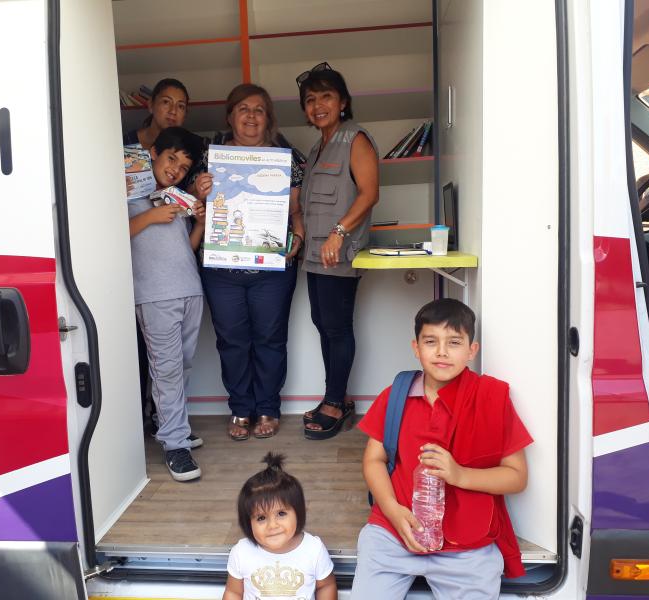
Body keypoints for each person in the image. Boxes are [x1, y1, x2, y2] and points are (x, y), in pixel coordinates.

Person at [351, 299, 533, 599]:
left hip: (467, 546)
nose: (442, 352)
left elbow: (516, 477)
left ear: (471, 351)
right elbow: (374, 459)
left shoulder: (490, 398)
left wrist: (460, 475)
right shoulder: (396, 396)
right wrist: (393, 512)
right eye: (431, 341)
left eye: (454, 342)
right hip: (394, 534)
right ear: (416, 347)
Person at [197, 84, 306, 441]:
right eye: (243, 109)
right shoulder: (208, 159)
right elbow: (192, 207)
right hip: (221, 271)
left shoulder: (286, 158)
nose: (251, 116)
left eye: (259, 110)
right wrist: (200, 189)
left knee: (270, 339)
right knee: (231, 341)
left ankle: (267, 408)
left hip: (272, 269)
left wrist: (299, 238)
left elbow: (295, 212)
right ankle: (241, 408)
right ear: (230, 116)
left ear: (268, 119)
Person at [296, 63, 380, 440]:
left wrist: (339, 232)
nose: (318, 105)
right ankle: (337, 397)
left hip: (337, 252)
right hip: (314, 255)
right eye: (310, 100)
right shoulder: (317, 148)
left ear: (343, 102)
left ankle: (334, 403)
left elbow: (369, 193)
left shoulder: (355, 138)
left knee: (337, 327)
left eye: (326, 96)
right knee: (323, 325)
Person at [127, 127, 207, 482]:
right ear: (153, 154)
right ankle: (176, 445)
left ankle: (170, 424)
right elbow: (109, 232)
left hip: (190, 290)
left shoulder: (174, 198)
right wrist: (149, 217)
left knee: (182, 365)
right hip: (154, 296)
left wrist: (200, 224)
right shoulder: (129, 193)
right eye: (171, 158)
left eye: (183, 165)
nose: (175, 168)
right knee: (167, 369)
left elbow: (184, 248)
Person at [223, 452, 337, 600]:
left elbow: (326, 586)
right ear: (247, 521)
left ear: (299, 512)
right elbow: (234, 592)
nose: (272, 525)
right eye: (261, 518)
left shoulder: (313, 549)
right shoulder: (241, 552)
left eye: (281, 514)